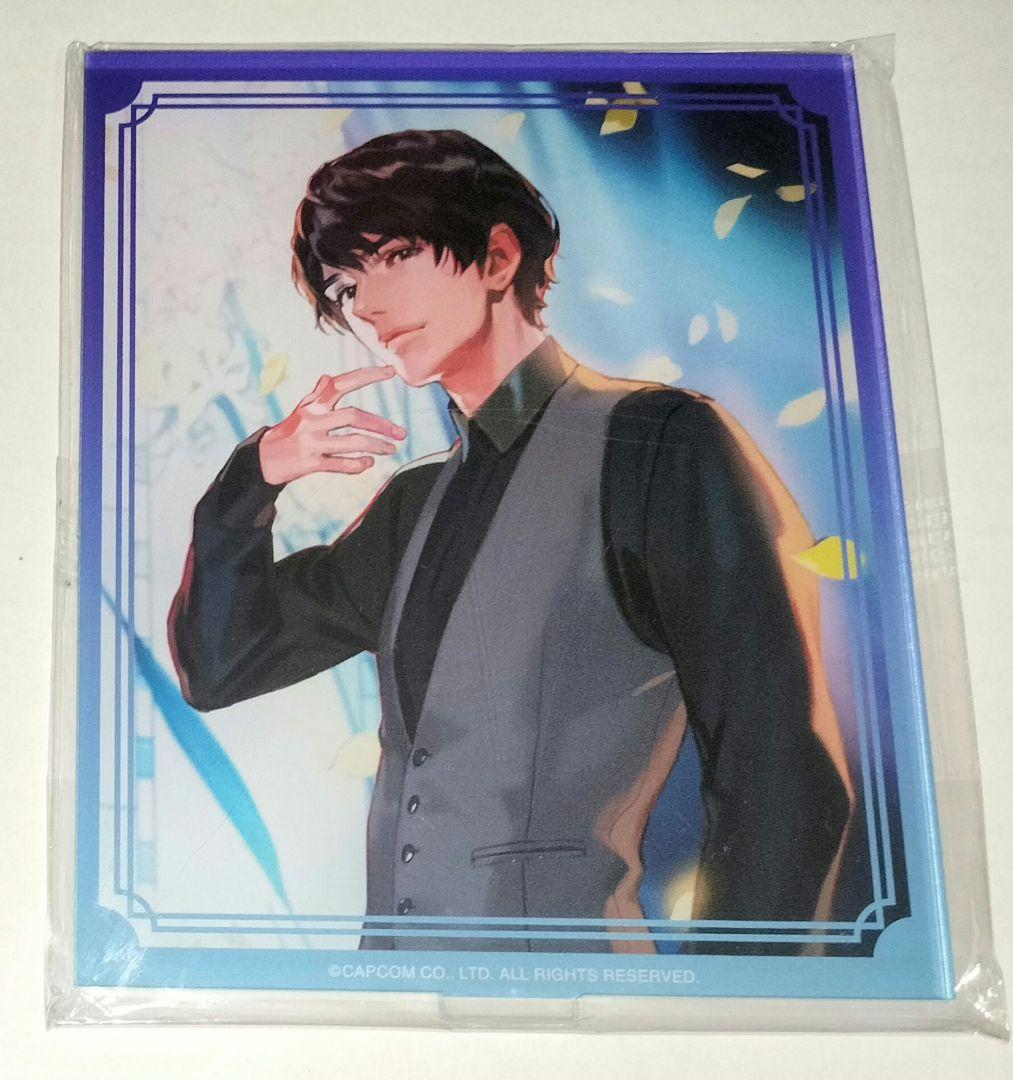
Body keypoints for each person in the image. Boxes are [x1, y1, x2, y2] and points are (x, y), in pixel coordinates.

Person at [168, 129, 853, 955]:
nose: (367, 306)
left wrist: (727, 1007)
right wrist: (254, 477)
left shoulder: (658, 444)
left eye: (393, 256)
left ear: (498, 257)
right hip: (398, 996)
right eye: (347, 284)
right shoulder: (416, 501)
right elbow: (222, 665)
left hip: (581, 994)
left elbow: (779, 772)